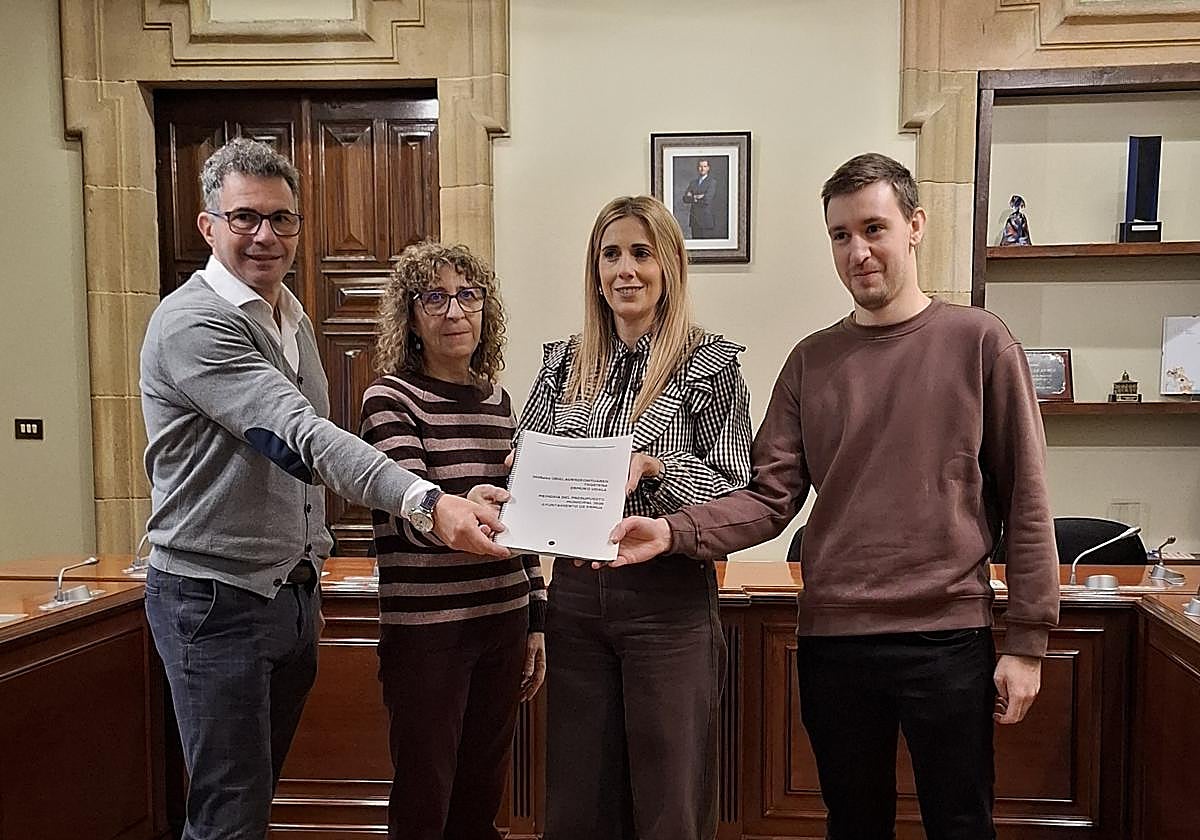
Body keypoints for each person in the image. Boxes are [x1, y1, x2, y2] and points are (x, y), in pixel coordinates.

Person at [611, 153, 1061, 840]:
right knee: (853, 825)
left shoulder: (979, 342)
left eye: (874, 228)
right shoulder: (810, 362)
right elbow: (769, 497)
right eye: (840, 235)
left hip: (948, 637)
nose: (859, 251)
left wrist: (1028, 641)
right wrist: (673, 531)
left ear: (914, 226)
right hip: (835, 641)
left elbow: (1028, 498)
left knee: (962, 823)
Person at [139, 138, 508, 840]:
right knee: (229, 815)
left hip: (286, 596)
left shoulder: (290, 314)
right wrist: (429, 501)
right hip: (213, 597)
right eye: (244, 217)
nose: (264, 236)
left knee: (253, 799)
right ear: (207, 225)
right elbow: (299, 435)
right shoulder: (193, 322)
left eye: (282, 219)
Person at [517, 195, 752, 840]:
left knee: (668, 801)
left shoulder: (714, 361)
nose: (626, 269)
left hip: (667, 602)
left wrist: (652, 464)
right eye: (610, 254)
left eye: (641, 253)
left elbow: (729, 491)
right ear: (594, 270)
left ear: (670, 264)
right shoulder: (563, 363)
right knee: (578, 801)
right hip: (576, 599)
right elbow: (532, 472)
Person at [358, 241, 547, 840]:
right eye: (434, 297)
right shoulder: (389, 398)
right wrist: (465, 512)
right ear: (410, 316)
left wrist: (536, 620)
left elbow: (527, 522)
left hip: (502, 621)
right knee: (424, 793)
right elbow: (413, 516)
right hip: (428, 632)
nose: (454, 311)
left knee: (481, 793)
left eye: (468, 295)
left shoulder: (499, 401)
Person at [681, 158, 718, 238]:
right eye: (700, 166)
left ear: (708, 168)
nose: (702, 169)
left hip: (705, 220)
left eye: (704, 166)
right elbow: (685, 198)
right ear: (698, 168)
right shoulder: (693, 183)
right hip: (694, 220)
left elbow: (707, 200)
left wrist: (692, 196)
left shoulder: (712, 182)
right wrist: (697, 197)